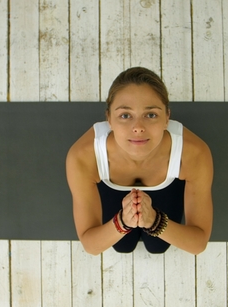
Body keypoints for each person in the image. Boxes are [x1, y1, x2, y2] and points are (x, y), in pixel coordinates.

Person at [66, 67, 213, 255]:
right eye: (125, 116)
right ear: (109, 119)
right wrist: (122, 222)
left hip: (168, 189)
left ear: (167, 117)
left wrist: (154, 221)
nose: (138, 128)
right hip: (110, 189)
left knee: (158, 246)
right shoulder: (83, 156)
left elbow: (197, 243)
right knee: (122, 246)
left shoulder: (194, 152)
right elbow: (91, 245)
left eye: (151, 115)